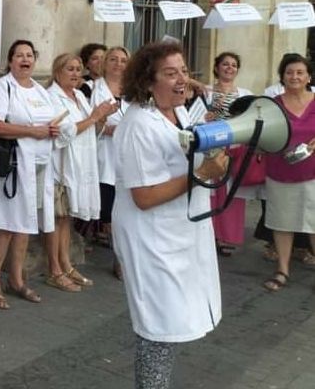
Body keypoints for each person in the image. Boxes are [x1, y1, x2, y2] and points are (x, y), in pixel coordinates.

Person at [112, 41, 227, 389]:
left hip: (176, 233)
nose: (183, 80)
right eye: (170, 73)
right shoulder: (137, 125)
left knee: (171, 324)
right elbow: (144, 196)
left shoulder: (176, 112)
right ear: (148, 82)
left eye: (184, 71)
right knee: (159, 328)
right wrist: (201, 176)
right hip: (151, 239)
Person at [0, 40, 60, 309]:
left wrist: (52, 131)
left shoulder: (40, 90)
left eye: (29, 55)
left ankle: (16, 279)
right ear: (10, 61)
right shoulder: (3, 87)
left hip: (38, 165)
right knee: (5, 225)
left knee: (25, 224)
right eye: (19, 55)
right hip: (14, 165)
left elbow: (48, 122)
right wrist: (32, 131)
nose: (24, 59)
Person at [45, 54, 115, 292]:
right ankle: (54, 268)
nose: (75, 74)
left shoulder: (79, 97)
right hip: (61, 165)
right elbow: (62, 132)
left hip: (80, 164)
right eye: (69, 69)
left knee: (67, 218)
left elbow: (89, 128)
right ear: (57, 72)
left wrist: (100, 117)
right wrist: (94, 117)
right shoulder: (51, 97)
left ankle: (66, 263)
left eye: (78, 69)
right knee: (57, 217)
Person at [261, 54, 315, 292]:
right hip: (280, 172)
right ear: (282, 77)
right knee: (282, 222)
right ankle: (282, 269)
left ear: (308, 77)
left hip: (313, 173)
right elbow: (261, 136)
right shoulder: (273, 105)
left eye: (300, 72)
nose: (295, 76)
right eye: (289, 72)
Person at [204, 52, 253, 257]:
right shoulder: (205, 91)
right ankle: (209, 234)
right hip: (208, 145)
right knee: (208, 192)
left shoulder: (245, 94)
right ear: (216, 67)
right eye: (225, 64)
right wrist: (205, 116)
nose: (229, 68)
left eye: (234, 65)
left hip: (233, 146)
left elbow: (251, 119)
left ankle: (226, 236)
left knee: (230, 192)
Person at [90, 46, 129, 279]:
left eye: (123, 60)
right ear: (105, 63)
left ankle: (122, 258)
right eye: (113, 59)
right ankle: (119, 258)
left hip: (129, 157)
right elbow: (92, 121)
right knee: (112, 211)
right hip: (106, 155)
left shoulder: (134, 90)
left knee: (126, 210)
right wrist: (107, 127)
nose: (118, 64)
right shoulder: (96, 89)